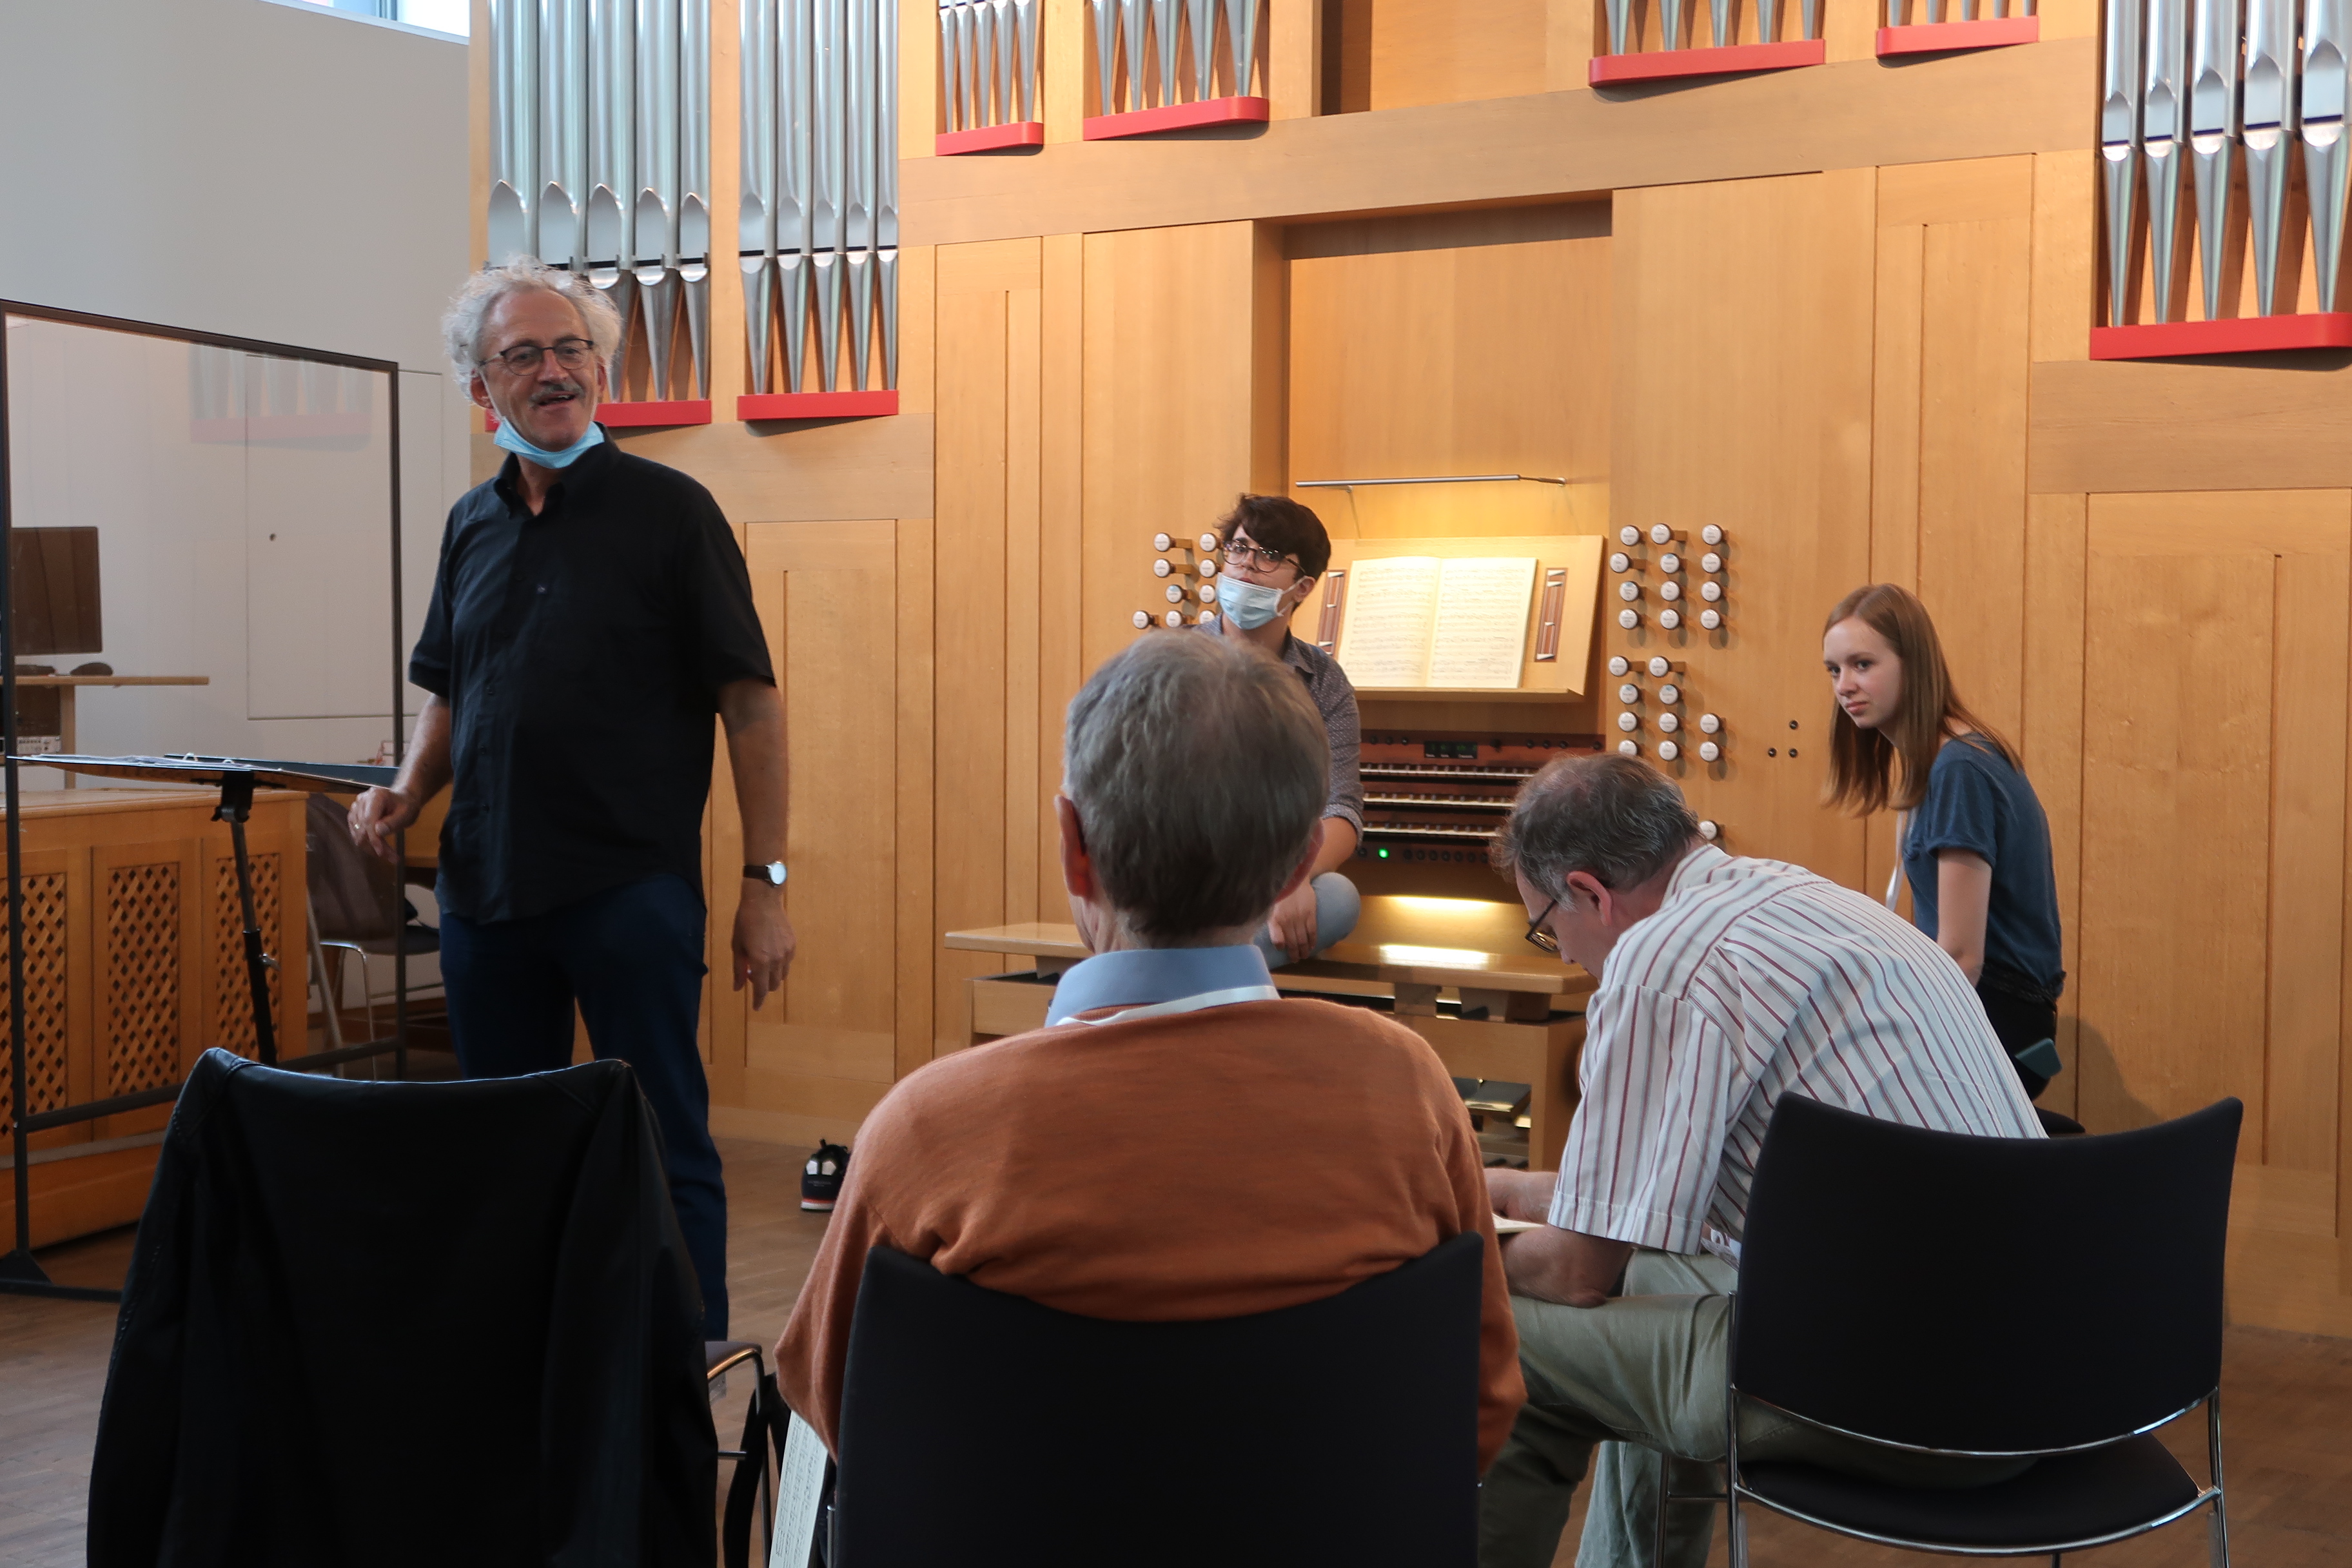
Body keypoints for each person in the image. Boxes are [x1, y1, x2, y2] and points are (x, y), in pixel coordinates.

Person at [773, 631, 1524, 1467]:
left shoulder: (927, 1128)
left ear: (1074, 846)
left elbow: (834, 1402)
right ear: (1299, 869)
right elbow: (1483, 1400)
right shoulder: (1410, 1091)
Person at [348, 259, 794, 1340]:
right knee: (504, 1147)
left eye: (571, 350)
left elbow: (751, 705)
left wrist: (765, 883)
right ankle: (525, 1365)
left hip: (627, 889)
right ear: (480, 388)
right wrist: (406, 789)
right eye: (523, 356)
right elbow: (452, 689)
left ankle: (684, 1371)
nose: (553, 371)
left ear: (601, 368)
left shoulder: (674, 513)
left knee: (661, 1137)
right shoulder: (470, 523)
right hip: (486, 892)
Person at [1477, 754, 2043, 1568]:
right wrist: (1498, 1187)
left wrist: (1461, 1240)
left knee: (1490, 1326)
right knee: (1648, 1286)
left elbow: (1576, 1271)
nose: (1563, 954)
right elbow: (1628, 1211)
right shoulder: (1814, 901)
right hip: (2053, 1376)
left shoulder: (1661, 959)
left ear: (1591, 894)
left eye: (1546, 927)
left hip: (1915, 1404)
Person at [1822, 583, 2068, 1102]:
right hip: (1998, 1013)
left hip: (2001, 1023)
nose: (1845, 686)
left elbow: (1960, 957)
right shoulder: (1949, 759)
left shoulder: (1960, 769)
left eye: (1862, 665)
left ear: (1913, 665)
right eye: (1834, 670)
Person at [1202, 493, 1364, 966]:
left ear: (1303, 587)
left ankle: (1189, 975)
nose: (1245, 566)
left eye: (1269, 555)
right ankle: (1210, 972)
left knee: (1339, 896)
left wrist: (1293, 879)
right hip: (1181, 870)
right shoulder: (1168, 664)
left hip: (1267, 878)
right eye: (1238, 548)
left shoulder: (1325, 681)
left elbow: (1342, 807)